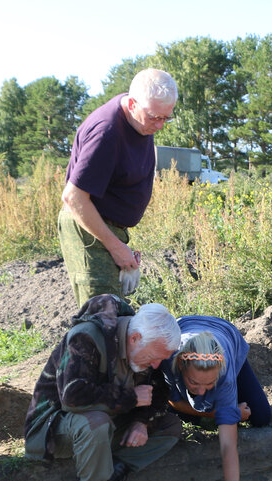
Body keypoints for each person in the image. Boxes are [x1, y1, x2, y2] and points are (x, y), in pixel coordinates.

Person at [25, 297, 183, 481]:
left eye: (161, 359)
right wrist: (130, 397)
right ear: (134, 338)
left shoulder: (147, 347)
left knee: (169, 425)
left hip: (103, 426)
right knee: (96, 421)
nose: (156, 364)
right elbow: (71, 396)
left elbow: (159, 393)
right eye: (154, 357)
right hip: (53, 429)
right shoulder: (87, 337)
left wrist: (141, 422)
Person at [58, 68, 178, 306]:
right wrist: (116, 248)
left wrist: (121, 243)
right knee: (101, 317)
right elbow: (74, 198)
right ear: (132, 104)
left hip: (109, 228)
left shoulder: (141, 119)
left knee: (115, 312)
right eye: (155, 117)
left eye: (167, 118)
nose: (160, 125)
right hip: (89, 230)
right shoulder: (106, 132)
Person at [161, 316, 272, 481]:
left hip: (226, 334)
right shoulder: (167, 360)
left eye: (208, 384)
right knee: (190, 409)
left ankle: (218, 406)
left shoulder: (225, 374)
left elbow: (228, 446)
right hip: (186, 326)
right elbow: (167, 400)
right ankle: (213, 408)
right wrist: (217, 413)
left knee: (260, 416)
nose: (201, 390)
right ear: (181, 367)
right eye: (193, 382)